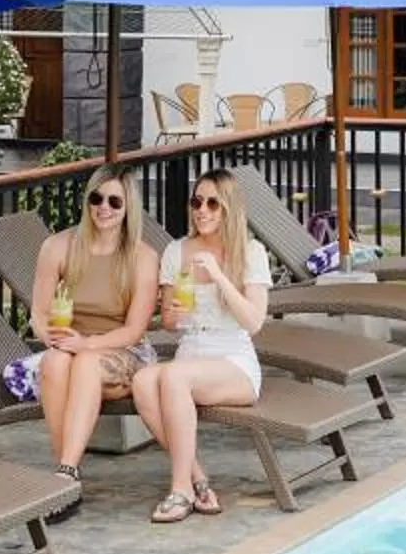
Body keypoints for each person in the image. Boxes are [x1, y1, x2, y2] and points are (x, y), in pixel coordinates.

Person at [129, 167, 269, 523]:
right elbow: (171, 323)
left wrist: (220, 276)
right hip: (191, 353)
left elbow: (254, 322)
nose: (201, 210)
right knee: (144, 381)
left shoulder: (251, 252)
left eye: (212, 203)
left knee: (173, 378)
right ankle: (199, 479)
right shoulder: (177, 251)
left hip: (233, 361)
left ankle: (180, 490)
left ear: (229, 210)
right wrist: (173, 314)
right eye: (196, 201)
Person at [26, 164, 156, 521]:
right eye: (97, 198)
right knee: (53, 363)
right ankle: (66, 474)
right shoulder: (58, 246)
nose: (104, 208)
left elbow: (133, 330)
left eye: (115, 201)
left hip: (124, 351)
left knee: (81, 362)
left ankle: (65, 474)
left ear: (128, 207)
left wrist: (87, 345)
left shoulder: (143, 258)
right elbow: (38, 312)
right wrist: (52, 337)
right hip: (69, 347)